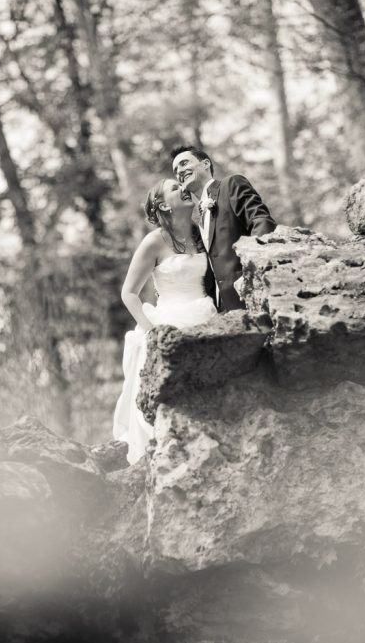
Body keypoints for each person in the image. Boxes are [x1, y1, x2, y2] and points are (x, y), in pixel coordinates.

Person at [112, 179, 217, 463]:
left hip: (206, 316)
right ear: (163, 205)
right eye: (174, 187)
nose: (183, 186)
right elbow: (129, 293)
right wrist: (152, 333)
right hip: (169, 322)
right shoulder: (154, 241)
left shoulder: (203, 233)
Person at [172, 145, 277, 311]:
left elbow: (262, 221)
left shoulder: (231, 185)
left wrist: (253, 273)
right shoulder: (197, 220)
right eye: (176, 169)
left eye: (184, 163)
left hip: (253, 296)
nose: (179, 171)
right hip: (224, 309)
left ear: (206, 164)